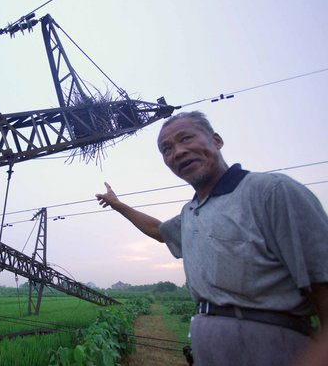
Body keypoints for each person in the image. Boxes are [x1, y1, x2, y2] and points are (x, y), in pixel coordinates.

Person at [95, 111, 328, 365]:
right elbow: (158, 231)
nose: (178, 151)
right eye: (167, 149)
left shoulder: (271, 192)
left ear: (216, 140)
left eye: (186, 138)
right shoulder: (192, 211)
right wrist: (117, 205)